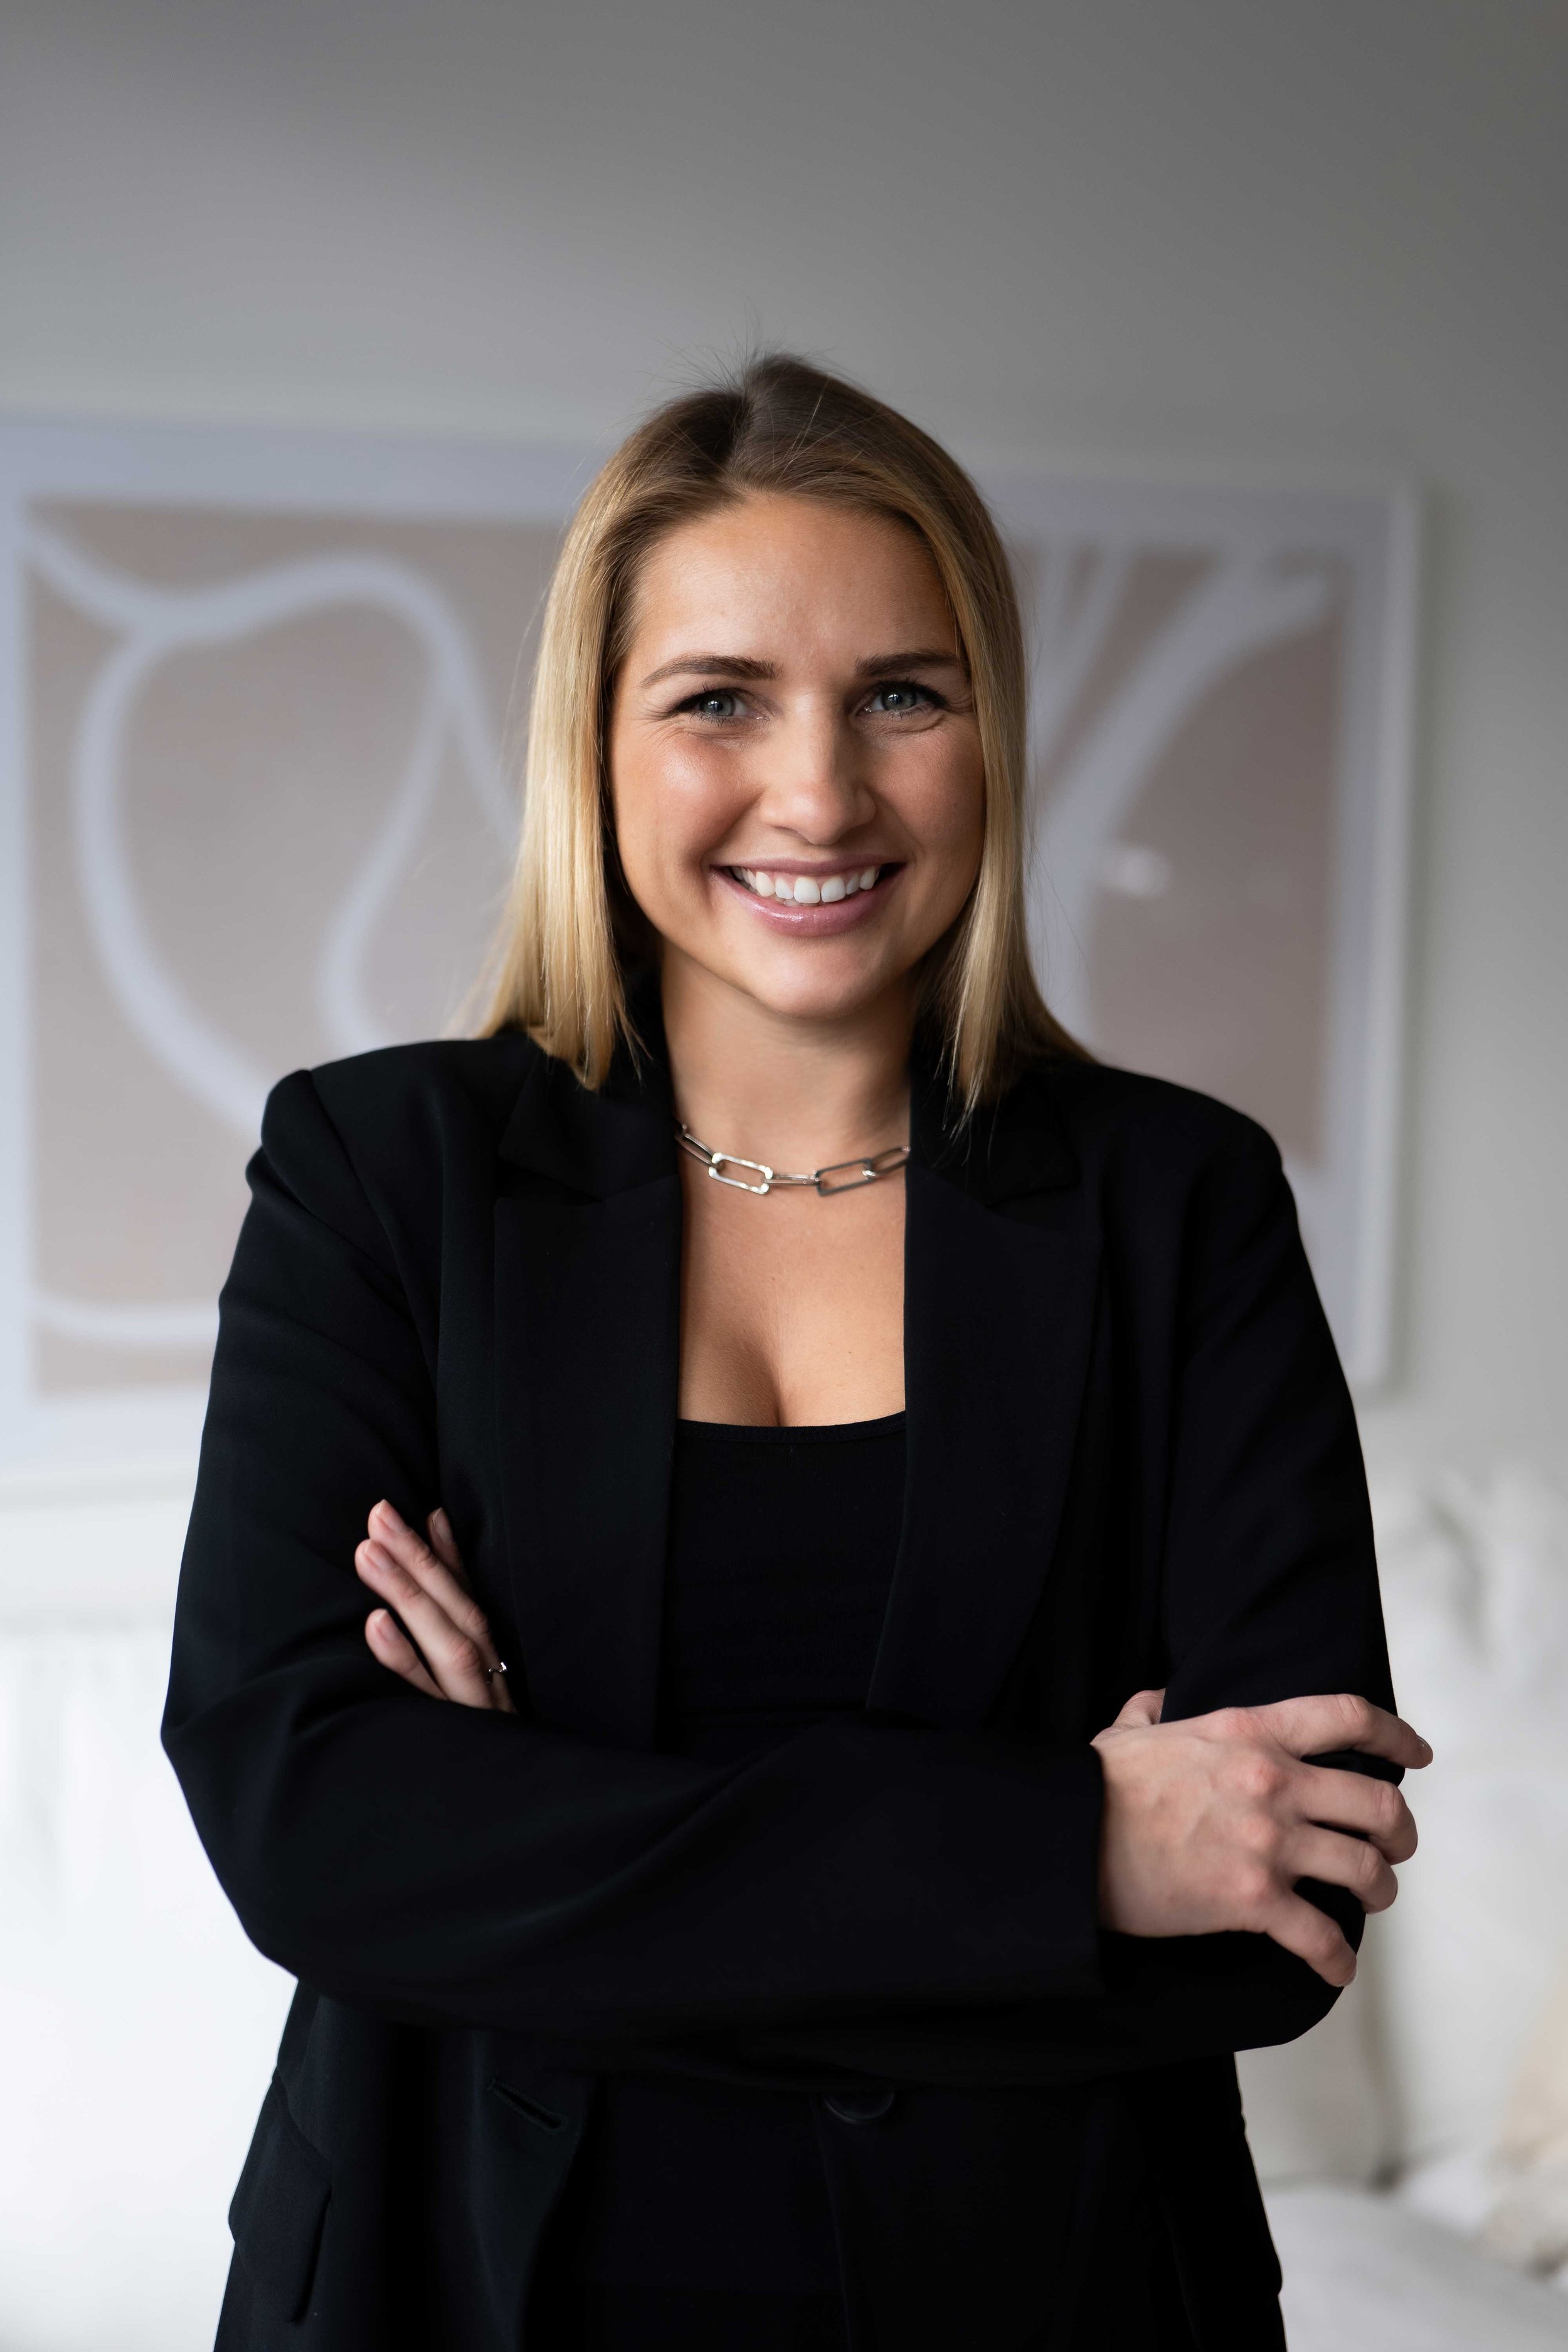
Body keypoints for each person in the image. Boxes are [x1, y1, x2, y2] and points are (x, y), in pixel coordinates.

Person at [164, 354, 1428, 2352]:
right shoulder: (380, 1174)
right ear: (595, 743)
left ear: (990, 736)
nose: (821, 792)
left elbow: (1285, 1903)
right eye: (719, 700)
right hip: (458, 2288)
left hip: (1057, 2298)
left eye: (902, 695)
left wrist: (535, 1829)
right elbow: (310, 1829)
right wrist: (1066, 1847)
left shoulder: (1181, 1204)